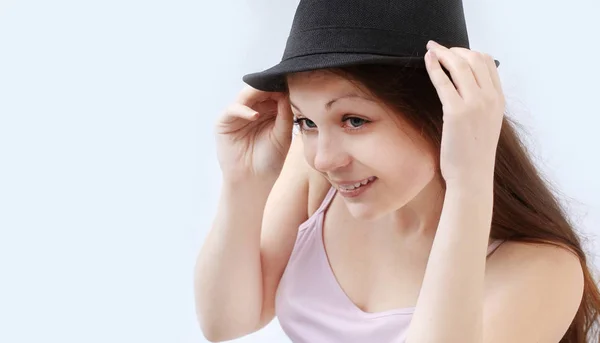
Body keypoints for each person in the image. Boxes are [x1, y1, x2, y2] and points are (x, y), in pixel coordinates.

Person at [194, 0, 600, 342]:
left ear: (442, 113)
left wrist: (469, 185)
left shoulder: (545, 269)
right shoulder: (314, 179)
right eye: (307, 122)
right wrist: (242, 183)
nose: (324, 158)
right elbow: (226, 323)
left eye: (354, 120)